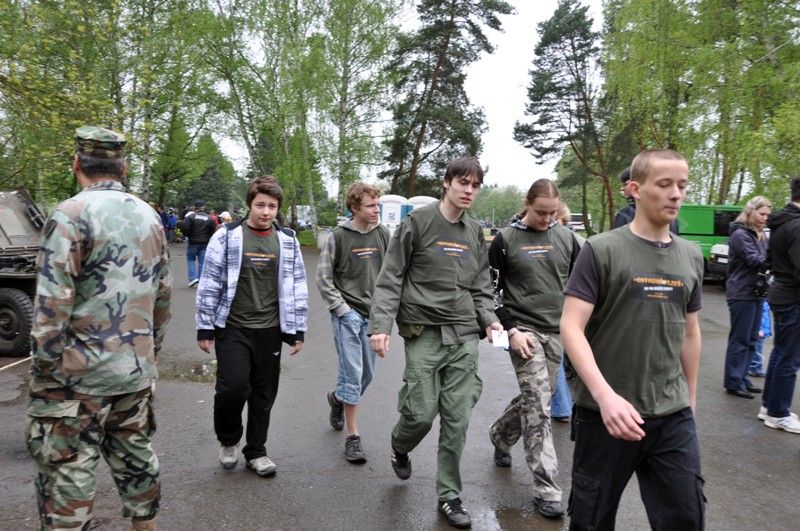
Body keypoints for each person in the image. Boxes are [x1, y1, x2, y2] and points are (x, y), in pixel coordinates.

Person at [26, 125, 171, 531]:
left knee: (68, 467)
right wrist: (148, 352)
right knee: (136, 457)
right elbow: (162, 296)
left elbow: (51, 306)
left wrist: (44, 369)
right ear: (122, 168)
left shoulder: (69, 215)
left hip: (77, 378)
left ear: (77, 163)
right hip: (134, 369)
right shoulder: (149, 216)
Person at [560, 148, 705, 530]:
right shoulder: (601, 249)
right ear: (635, 189)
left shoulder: (691, 256)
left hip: (672, 414)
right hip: (604, 415)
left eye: (682, 185)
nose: (676, 194)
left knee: (686, 519)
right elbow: (571, 326)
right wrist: (605, 397)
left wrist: (689, 401)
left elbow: (690, 332)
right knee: (591, 520)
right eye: (665, 184)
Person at [368, 156, 502, 529]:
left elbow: (480, 285)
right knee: (421, 414)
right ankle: (400, 445)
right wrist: (381, 326)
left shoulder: (474, 231)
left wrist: (490, 320)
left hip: (463, 333)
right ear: (446, 183)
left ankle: (449, 496)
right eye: (463, 183)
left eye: (475, 185)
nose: (469, 191)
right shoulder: (417, 223)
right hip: (424, 331)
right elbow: (391, 276)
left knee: (457, 420)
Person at [196, 176, 308, 477]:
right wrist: (205, 327)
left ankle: (256, 451)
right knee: (233, 388)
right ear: (249, 205)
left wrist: (297, 330)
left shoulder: (287, 240)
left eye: (272, 206)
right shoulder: (227, 236)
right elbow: (210, 281)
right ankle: (229, 439)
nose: (266, 211)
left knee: (264, 394)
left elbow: (297, 285)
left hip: (270, 330)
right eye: (260, 205)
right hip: (233, 327)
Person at [487, 179, 580, 519]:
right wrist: (511, 329)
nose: (547, 219)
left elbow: (583, 287)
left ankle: (500, 434)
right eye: (541, 212)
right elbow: (491, 292)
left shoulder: (567, 238)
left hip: (557, 332)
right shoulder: (505, 240)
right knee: (540, 408)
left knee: (535, 397)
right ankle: (547, 488)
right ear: (527, 204)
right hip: (523, 333)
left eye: (553, 213)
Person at [317, 182, 389, 463]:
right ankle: (353, 438)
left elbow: (392, 274)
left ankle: (337, 398)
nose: (376, 210)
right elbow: (324, 278)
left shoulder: (383, 234)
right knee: (352, 373)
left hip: (374, 317)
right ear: (355, 207)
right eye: (370, 206)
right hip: (347, 315)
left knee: (365, 376)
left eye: (377, 205)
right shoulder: (338, 236)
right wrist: (343, 310)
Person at [760, 176, 800, 433]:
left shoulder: (782, 221)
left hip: (782, 294)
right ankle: (778, 413)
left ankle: (769, 405)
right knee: (790, 357)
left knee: (781, 352)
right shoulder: (797, 224)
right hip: (793, 297)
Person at [722, 196, 771, 399]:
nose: (765, 218)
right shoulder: (740, 234)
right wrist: (778, 259)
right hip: (741, 292)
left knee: (752, 339)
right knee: (740, 339)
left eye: (767, 215)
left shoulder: (761, 234)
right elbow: (755, 260)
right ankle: (734, 381)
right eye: (762, 214)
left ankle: (742, 377)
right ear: (751, 211)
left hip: (756, 292)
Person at [613, 167, 679, 234]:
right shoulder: (669, 214)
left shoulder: (625, 214)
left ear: (634, 186)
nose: (622, 188)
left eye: (625, 184)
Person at [182, 199, 216, 287]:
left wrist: (188, 235)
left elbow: (185, 228)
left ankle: (193, 278)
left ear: (195, 207)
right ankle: (201, 279)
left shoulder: (190, 217)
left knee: (190, 259)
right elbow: (213, 231)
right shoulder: (209, 218)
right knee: (202, 262)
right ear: (203, 207)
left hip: (193, 241)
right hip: (205, 242)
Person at [749, 300, 771, 378]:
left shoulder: (764, 302)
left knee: (755, 347)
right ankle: (755, 368)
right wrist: (761, 329)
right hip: (759, 330)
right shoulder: (761, 302)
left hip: (760, 329)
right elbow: (761, 317)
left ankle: (752, 367)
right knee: (757, 349)